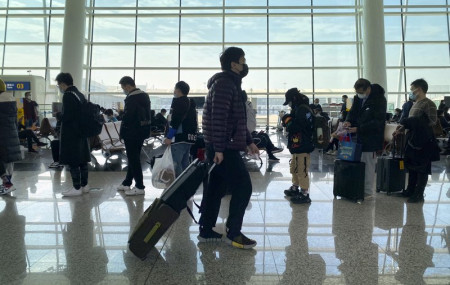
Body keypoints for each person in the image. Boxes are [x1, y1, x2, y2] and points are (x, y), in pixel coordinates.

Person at [198, 46, 259, 249]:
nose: (245, 64)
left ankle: (206, 230)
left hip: (222, 145)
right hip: (223, 148)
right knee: (243, 186)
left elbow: (237, 120)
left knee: (215, 189)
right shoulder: (225, 84)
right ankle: (233, 233)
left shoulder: (231, 84)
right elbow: (218, 118)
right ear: (233, 64)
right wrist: (219, 149)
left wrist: (249, 141)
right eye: (242, 61)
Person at [393, 78, 438, 203]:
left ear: (419, 89)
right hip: (412, 139)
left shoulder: (428, 104)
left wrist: (415, 123)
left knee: (422, 168)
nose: (411, 92)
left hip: (424, 141)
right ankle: (410, 190)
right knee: (412, 166)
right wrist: (401, 129)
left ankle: (419, 194)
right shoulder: (414, 104)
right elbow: (410, 122)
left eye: (412, 89)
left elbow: (432, 122)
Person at [344, 78, 387, 200]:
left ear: (368, 88)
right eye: (358, 92)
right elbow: (352, 112)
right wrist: (348, 121)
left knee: (368, 164)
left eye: (361, 92)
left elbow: (377, 122)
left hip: (371, 138)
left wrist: (359, 129)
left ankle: (367, 192)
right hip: (357, 137)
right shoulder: (358, 98)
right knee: (357, 163)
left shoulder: (379, 99)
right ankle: (357, 188)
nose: (359, 94)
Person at [56, 72, 91, 197]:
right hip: (81, 132)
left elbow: (68, 116)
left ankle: (76, 187)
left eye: (58, 84)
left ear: (63, 83)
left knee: (73, 160)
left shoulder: (68, 95)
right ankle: (84, 185)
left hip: (72, 133)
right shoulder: (79, 94)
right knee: (82, 160)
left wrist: (59, 115)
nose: (59, 87)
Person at [117, 76, 151, 196]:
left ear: (128, 86)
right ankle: (127, 182)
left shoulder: (132, 98)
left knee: (134, 159)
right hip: (141, 131)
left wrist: (121, 114)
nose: (123, 90)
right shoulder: (144, 96)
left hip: (131, 132)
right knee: (134, 157)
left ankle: (139, 186)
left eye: (123, 88)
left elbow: (128, 117)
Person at [282, 88, 315, 204]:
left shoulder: (303, 110)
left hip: (303, 145)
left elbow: (296, 127)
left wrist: (286, 119)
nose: (289, 105)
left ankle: (305, 193)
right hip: (297, 145)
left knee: (302, 169)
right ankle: (295, 187)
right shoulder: (298, 109)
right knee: (295, 168)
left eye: (290, 102)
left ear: (294, 99)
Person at [164, 81, 198, 177]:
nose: (174, 91)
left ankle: (178, 186)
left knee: (176, 163)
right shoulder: (190, 103)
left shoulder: (179, 102)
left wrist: (169, 136)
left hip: (179, 138)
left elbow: (175, 121)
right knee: (185, 162)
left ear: (178, 90)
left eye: (175, 89)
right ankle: (186, 183)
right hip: (189, 138)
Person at [245, 93, 283, 161]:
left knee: (264, 134)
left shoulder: (246, 107)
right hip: (246, 136)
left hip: (249, 133)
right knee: (263, 138)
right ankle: (271, 152)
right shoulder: (244, 108)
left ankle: (271, 153)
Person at [0, 78, 21, 195]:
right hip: (12, 134)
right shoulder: (12, 101)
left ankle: (8, 184)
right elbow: (15, 121)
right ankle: (7, 185)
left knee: (2, 162)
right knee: (9, 161)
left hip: (1, 135)